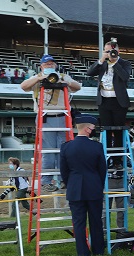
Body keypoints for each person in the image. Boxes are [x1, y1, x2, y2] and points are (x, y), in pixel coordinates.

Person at [20, 54, 81, 192]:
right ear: (41, 66)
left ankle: (63, 178)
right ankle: (46, 181)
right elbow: (23, 86)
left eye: (51, 63)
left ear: (55, 65)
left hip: (63, 116)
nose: (49, 66)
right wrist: (39, 78)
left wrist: (65, 82)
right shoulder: (37, 77)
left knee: (64, 150)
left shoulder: (63, 76)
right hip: (45, 117)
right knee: (48, 152)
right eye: (46, 64)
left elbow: (78, 87)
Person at [59, 115, 107, 256]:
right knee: (96, 221)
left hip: (75, 188)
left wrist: (71, 184)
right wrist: (99, 185)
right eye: (92, 128)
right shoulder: (97, 146)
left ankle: (82, 252)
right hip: (94, 187)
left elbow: (64, 171)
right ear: (87, 129)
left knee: (78, 223)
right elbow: (102, 170)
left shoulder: (66, 147)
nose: (93, 130)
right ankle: (98, 250)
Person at [86, 39, 132, 170]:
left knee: (118, 131)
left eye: (112, 51)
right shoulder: (102, 64)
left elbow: (125, 77)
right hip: (104, 101)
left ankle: (117, 159)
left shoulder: (125, 63)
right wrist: (102, 59)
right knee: (106, 130)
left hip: (119, 102)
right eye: (107, 51)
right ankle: (107, 158)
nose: (110, 53)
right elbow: (89, 73)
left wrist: (115, 62)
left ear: (118, 51)